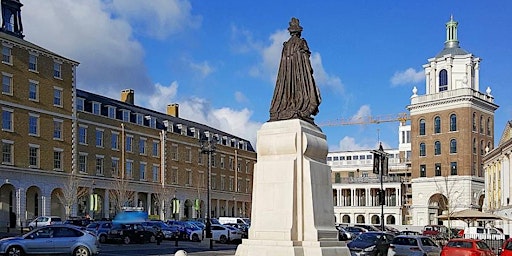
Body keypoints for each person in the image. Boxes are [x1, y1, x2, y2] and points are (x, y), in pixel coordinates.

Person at [269, 17, 321, 125]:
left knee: (288, 87)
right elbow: (306, 63)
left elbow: (282, 69)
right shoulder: (301, 43)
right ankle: (297, 104)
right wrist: (309, 71)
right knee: (302, 90)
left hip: (286, 77)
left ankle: (287, 104)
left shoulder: (286, 46)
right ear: (299, 32)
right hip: (300, 75)